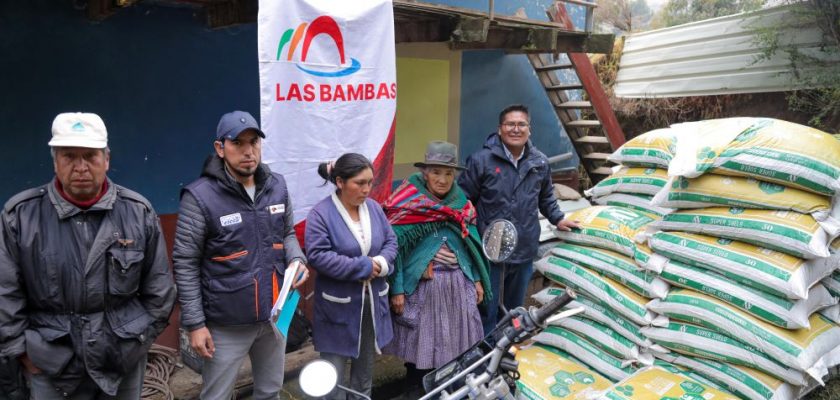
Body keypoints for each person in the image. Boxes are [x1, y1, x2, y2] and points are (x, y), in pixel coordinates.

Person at [0, 112, 176, 399]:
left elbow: (159, 290)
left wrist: (138, 343)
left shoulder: (137, 212)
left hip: (121, 361)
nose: (80, 167)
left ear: (106, 160)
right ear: (55, 161)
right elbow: (5, 292)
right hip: (51, 364)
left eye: (90, 156)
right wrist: (22, 351)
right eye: (69, 156)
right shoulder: (20, 217)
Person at [172, 110, 309, 400]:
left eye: (254, 143)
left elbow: (286, 234)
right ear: (220, 148)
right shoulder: (200, 197)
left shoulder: (277, 185)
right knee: (217, 395)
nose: (248, 151)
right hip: (226, 323)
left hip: (275, 315)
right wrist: (195, 325)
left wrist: (297, 259)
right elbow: (185, 264)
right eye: (238, 143)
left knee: (270, 390)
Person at [458, 104, 580, 334]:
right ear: (500, 129)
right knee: (488, 308)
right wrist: (470, 234)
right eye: (510, 124)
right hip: (490, 250)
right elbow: (463, 200)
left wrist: (558, 219)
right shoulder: (481, 161)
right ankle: (485, 356)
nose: (516, 129)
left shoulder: (539, 162)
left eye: (521, 124)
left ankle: (507, 349)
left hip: (524, 246)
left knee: (514, 309)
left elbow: (546, 198)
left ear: (529, 129)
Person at [382, 141, 492, 390]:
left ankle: (452, 392)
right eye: (435, 172)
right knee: (421, 347)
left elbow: (471, 245)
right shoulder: (405, 202)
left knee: (457, 346)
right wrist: (396, 289)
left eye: (448, 173)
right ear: (425, 173)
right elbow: (394, 250)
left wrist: (475, 279)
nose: (442, 179)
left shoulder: (462, 205)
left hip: (458, 285)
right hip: (423, 288)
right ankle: (417, 392)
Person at [305, 153, 398, 399]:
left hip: (370, 304)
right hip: (338, 306)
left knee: (364, 368)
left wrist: (380, 263)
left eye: (370, 182)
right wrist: (364, 267)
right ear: (340, 182)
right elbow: (318, 256)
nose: (367, 189)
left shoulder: (375, 209)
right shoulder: (321, 214)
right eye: (359, 183)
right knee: (331, 373)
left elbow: (391, 242)